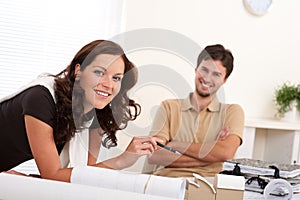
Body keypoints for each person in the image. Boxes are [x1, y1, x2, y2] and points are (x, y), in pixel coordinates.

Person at [0, 40, 161, 182]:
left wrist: (30, 179)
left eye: (116, 78)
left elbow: (86, 176)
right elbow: (53, 174)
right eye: (99, 72)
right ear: (78, 71)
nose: (108, 84)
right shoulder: (41, 98)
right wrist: (122, 160)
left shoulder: (97, 115)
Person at [144, 44, 245, 177]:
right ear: (196, 69)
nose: (207, 78)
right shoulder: (169, 107)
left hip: (210, 186)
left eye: (216, 74)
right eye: (204, 70)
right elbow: (154, 155)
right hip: (168, 182)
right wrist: (213, 157)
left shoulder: (232, 112)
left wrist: (175, 145)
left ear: (225, 79)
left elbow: (226, 152)